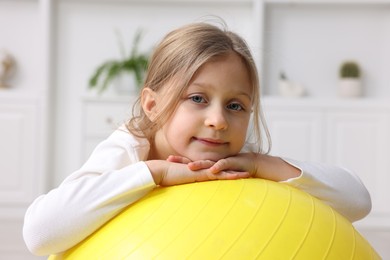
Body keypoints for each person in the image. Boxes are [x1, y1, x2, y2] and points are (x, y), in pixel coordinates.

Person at [23, 21, 371, 256]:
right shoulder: (130, 149)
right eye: (198, 98)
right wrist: (156, 173)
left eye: (236, 105)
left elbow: (357, 201)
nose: (218, 121)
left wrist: (262, 163)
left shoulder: (238, 160)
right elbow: (39, 233)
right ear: (152, 104)